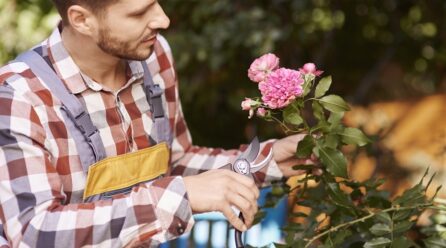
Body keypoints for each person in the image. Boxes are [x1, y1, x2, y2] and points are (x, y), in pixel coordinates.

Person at [0, 0, 312, 247]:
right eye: (138, 13)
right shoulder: (19, 96)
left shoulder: (153, 56)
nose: (162, 20)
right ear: (82, 19)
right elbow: (33, 234)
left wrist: (262, 163)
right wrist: (180, 196)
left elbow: (174, 161)